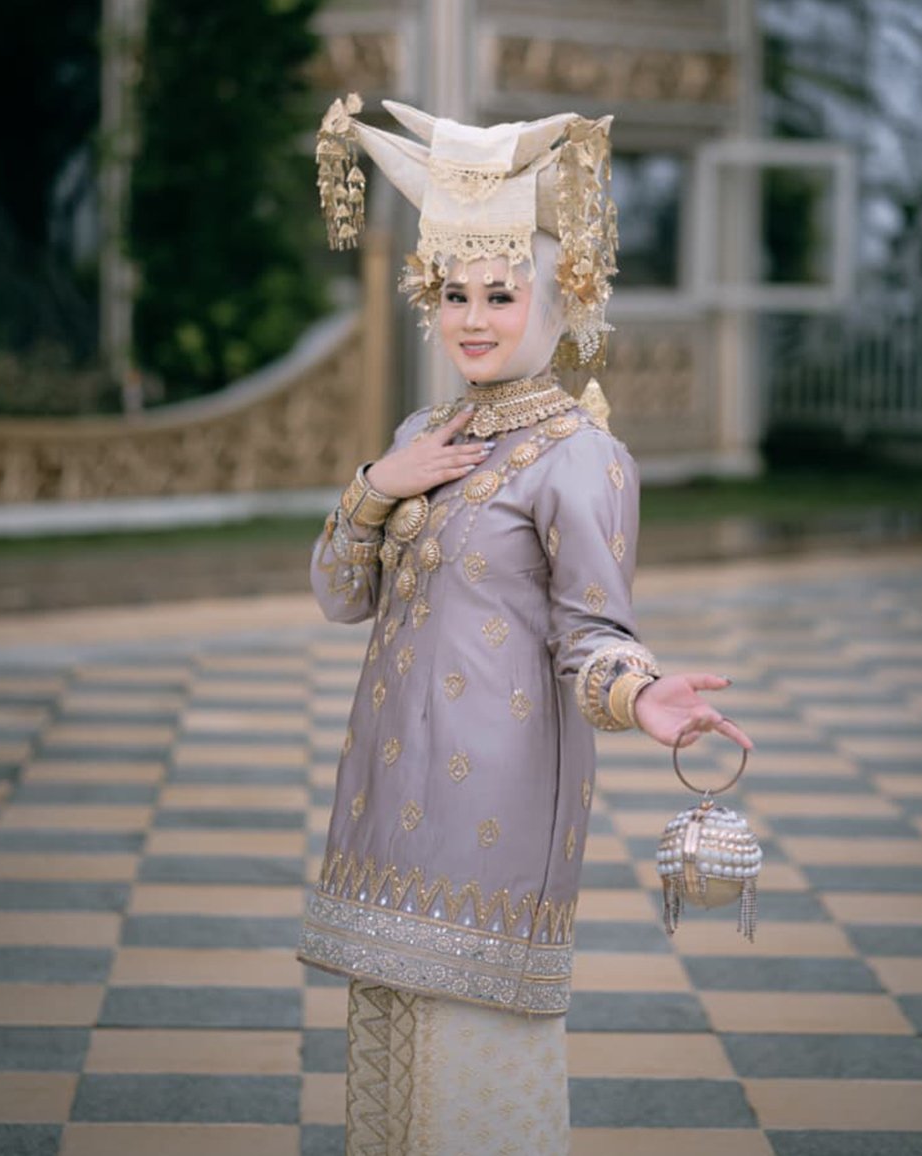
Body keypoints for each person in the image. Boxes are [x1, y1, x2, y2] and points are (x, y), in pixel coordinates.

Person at [297, 96, 752, 1156]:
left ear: (561, 297)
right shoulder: (424, 433)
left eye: (502, 294)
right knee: (395, 1087)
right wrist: (377, 484)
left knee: (472, 1086)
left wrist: (642, 694)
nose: (473, 318)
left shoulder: (581, 457)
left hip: (493, 811)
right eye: (454, 293)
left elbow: (592, 633)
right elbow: (339, 595)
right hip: (386, 802)